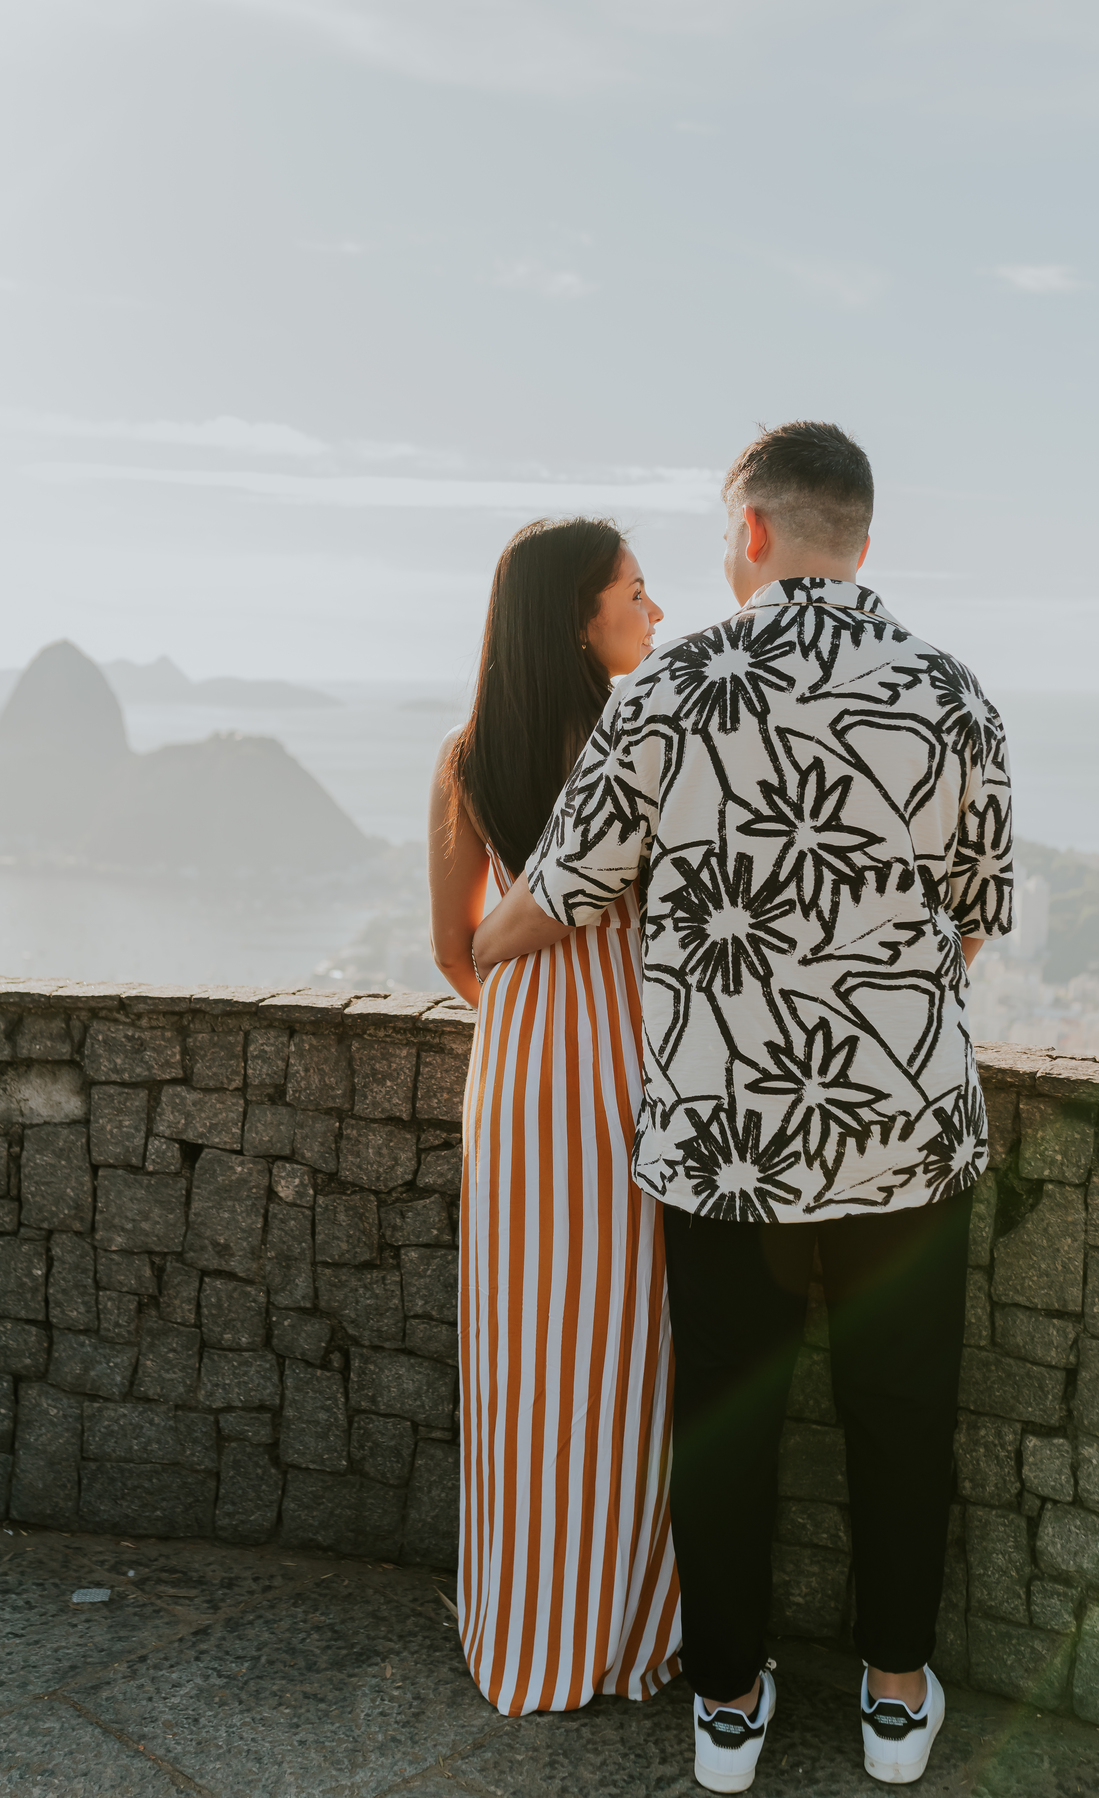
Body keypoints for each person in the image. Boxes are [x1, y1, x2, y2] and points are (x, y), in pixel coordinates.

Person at [473, 422, 1014, 1789]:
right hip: (904, 1135)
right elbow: (971, 920)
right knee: (904, 1417)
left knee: (727, 1412)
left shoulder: (673, 690)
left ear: (756, 534)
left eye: (724, 537)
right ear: (864, 539)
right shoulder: (956, 695)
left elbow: (562, 888)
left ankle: (727, 1703)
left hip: (725, 1143)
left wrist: (477, 948)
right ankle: (896, 1695)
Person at [427, 515, 681, 1718]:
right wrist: (603, 1015)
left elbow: (456, 950)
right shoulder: (649, 739)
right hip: (632, 1075)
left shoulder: (469, 753)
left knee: (526, 1360)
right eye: (635, 591)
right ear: (581, 615)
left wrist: (537, 1022)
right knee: (627, 1361)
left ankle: (522, 1623)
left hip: (522, 1079)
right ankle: (623, 1627)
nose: (655, 609)